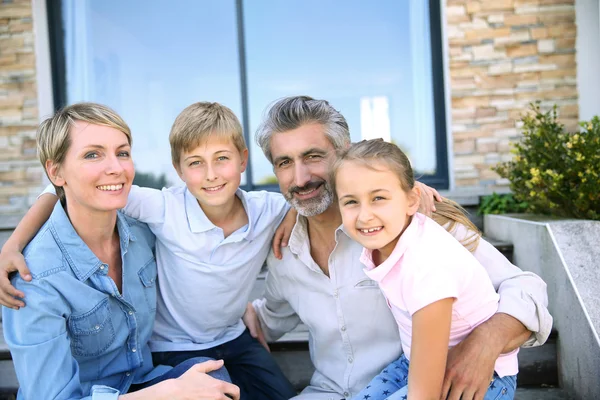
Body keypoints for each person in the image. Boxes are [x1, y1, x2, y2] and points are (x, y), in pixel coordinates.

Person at [242, 95, 552, 399]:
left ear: (343, 153)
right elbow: (265, 320)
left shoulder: (416, 224)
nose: (301, 178)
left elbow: (525, 286)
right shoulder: (285, 252)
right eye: (284, 163)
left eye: (313, 156)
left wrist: (486, 342)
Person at [0, 102, 298, 400]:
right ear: (56, 170)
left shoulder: (139, 232)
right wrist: (13, 245)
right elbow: (54, 192)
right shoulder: (34, 278)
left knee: (217, 383)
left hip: (146, 377)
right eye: (92, 154)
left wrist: (294, 214)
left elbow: (299, 201)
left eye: (123, 153)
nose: (115, 167)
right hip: (110, 388)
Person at [332, 139, 518, 400]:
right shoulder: (386, 243)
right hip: (415, 362)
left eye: (379, 198)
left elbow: (425, 395)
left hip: (482, 378)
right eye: (351, 202)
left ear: (411, 200)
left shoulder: (428, 265)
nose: (364, 216)